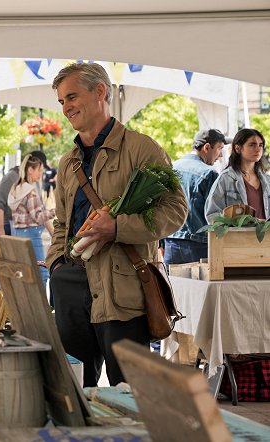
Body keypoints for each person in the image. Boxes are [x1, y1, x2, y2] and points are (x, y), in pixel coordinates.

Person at [46, 63, 187, 387]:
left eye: (71, 97)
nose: (66, 107)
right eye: (62, 102)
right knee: (77, 393)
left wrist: (118, 228)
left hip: (123, 294)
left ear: (100, 92)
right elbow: (62, 223)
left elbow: (176, 209)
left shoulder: (141, 148)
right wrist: (56, 266)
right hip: (71, 292)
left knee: (130, 395)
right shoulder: (69, 161)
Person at [164, 129, 229, 265]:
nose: (220, 156)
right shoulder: (210, 173)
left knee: (172, 286)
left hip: (170, 241)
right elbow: (216, 215)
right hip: (198, 245)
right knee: (200, 286)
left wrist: (160, 243)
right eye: (219, 149)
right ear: (207, 147)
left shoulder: (171, 167)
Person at [8, 154, 55, 288]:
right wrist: (56, 211)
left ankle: (26, 307)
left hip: (18, 234)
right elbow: (38, 217)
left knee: (24, 274)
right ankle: (39, 308)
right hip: (32, 235)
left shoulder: (16, 188)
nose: (41, 173)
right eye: (39, 170)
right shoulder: (30, 191)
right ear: (30, 170)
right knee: (41, 273)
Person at [205, 128, 269, 222]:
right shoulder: (225, 179)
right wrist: (237, 224)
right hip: (238, 236)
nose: (258, 149)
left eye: (260, 145)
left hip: (266, 236)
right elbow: (212, 215)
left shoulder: (268, 180)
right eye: (252, 145)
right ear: (238, 148)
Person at [0, 150, 50, 236]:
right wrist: (0, 228)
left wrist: (52, 233)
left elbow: (40, 209)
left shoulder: (35, 182)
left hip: (29, 230)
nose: (41, 174)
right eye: (39, 169)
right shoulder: (11, 177)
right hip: (10, 228)